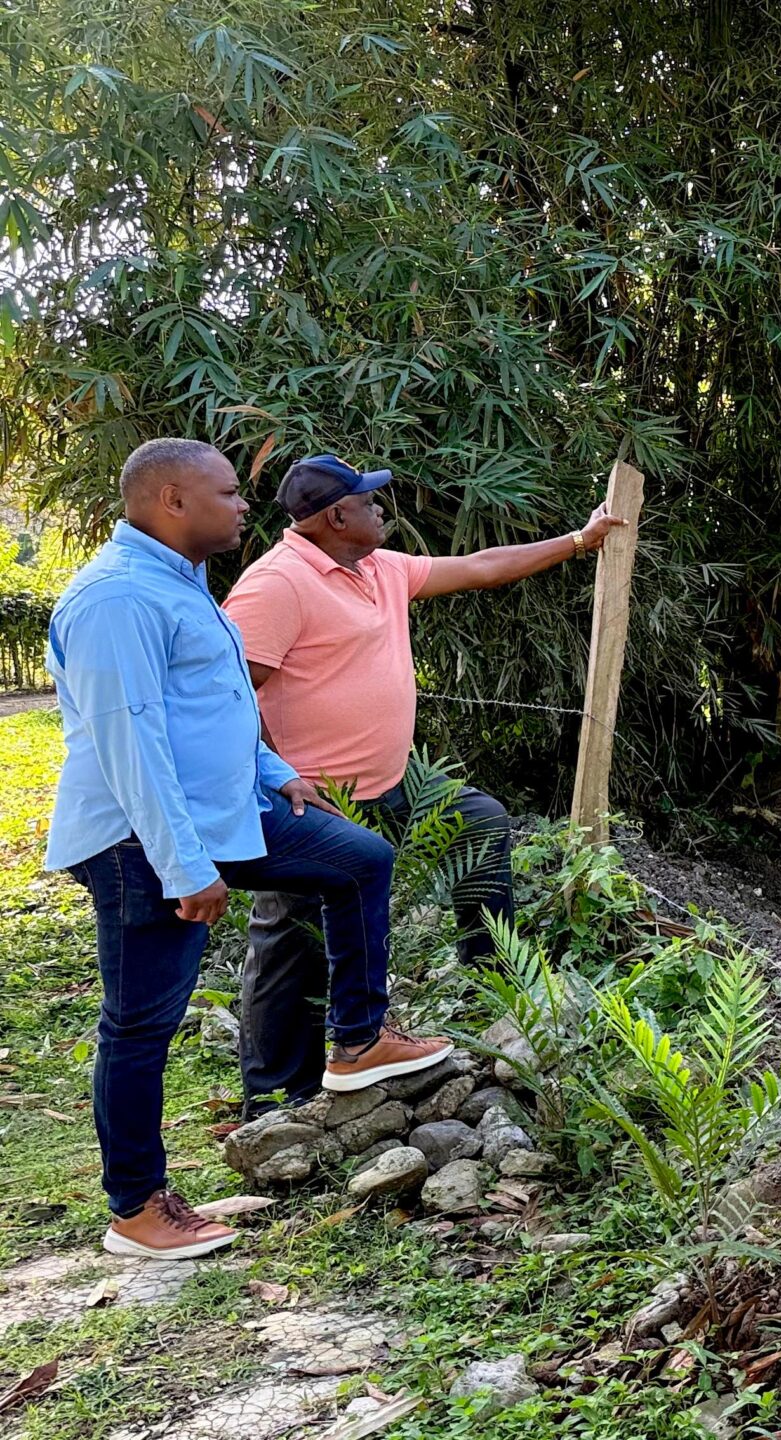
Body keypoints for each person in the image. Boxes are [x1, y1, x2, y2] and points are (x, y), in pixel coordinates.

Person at [47, 439, 453, 1261]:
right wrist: (184, 868)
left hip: (223, 813)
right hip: (143, 840)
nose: (244, 507)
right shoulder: (117, 601)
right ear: (170, 500)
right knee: (140, 1024)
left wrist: (275, 770)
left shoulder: (181, 584)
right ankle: (136, 1206)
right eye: (229, 494)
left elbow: (215, 701)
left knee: (358, 860)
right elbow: (134, 743)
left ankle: (358, 1041)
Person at [222, 454, 625, 1115]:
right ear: (336, 516)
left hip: (391, 782)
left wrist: (579, 542)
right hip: (318, 796)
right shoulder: (277, 586)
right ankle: (273, 1100)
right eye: (369, 501)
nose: (382, 509)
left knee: (479, 819)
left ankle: (493, 982)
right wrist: (280, 777)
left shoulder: (377, 568)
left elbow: (481, 568)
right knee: (291, 936)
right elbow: (228, 698)